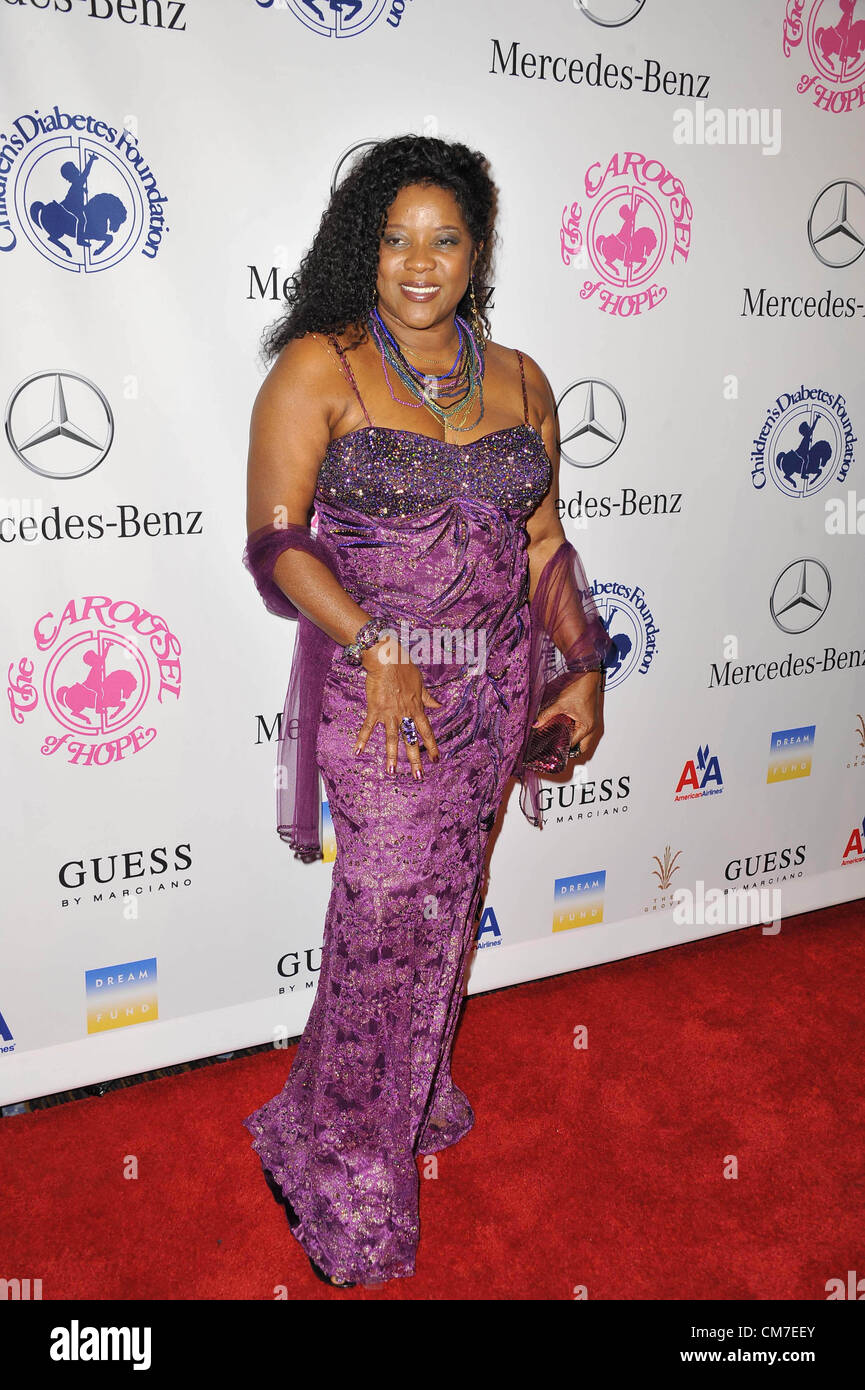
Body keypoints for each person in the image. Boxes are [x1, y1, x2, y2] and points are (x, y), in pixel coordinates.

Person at [241, 134, 615, 1289]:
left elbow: (543, 539)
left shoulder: (519, 378)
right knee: (383, 907)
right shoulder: (319, 366)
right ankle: (342, 1154)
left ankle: (402, 1086)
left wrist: (583, 658)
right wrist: (373, 637)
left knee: (449, 901)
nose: (419, 260)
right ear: (364, 246)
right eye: (395, 236)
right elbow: (276, 546)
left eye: (444, 237)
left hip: (493, 681)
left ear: (476, 250)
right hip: (380, 686)